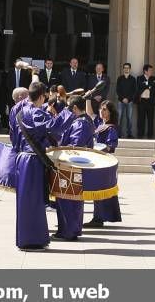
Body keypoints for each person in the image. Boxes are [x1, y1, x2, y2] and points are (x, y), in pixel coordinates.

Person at [12, 81, 71, 251]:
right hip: (32, 161)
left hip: (22, 159)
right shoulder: (36, 113)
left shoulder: (21, 111)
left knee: (26, 201)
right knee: (34, 201)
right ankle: (32, 239)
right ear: (40, 96)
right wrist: (68, 111)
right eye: (44, 96)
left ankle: (27, 238)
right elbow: (55, 127)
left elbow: (17, 137)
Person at [53, 96, 95, 241]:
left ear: (75, 109)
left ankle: (69, 231)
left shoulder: (81, 123)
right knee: (70, 199)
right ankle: (69, 229)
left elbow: (75, 147)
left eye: (70, 109)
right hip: (73, 166)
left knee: (69, 200)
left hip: (71, 166)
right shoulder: (84, 121)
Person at [85, 100, 121, 228]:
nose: (102, 111)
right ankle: (98, 217)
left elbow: (111, 146)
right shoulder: (100, 123)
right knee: (98, 190)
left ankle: (98, 218)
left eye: (105, 109)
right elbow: (89, 114)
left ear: (110, 112)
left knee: (101, 190)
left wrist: (97, 148)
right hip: (97, 160)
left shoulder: (111, 128)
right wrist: (88, 99)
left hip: (105, 162)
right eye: (101, 108)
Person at [136, 64, 155, 139]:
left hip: (150, 101)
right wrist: (148, 86)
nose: (151, 72)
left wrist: (146, 85)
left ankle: (150, 135)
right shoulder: (139, 78)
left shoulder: (153, 78)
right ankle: (140, 135)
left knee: (150, 119)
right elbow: (140, 85)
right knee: (141, 119)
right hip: (142, 101)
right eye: (150, 70)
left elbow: (154, 85)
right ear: (145, 71)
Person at [116, 62, 136, 138]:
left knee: (129, 118)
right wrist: (123, 98)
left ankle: (129, 133)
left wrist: (128, 99)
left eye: (128, 68)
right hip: (120, 101)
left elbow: (134, 91)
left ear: (130, 69)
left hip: (129, 101)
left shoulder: (133, 79)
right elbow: (118, 90)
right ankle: (118, 133)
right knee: (119, 118)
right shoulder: (120, 78)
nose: (126, 69)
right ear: (123, 69)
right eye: (125, 68)